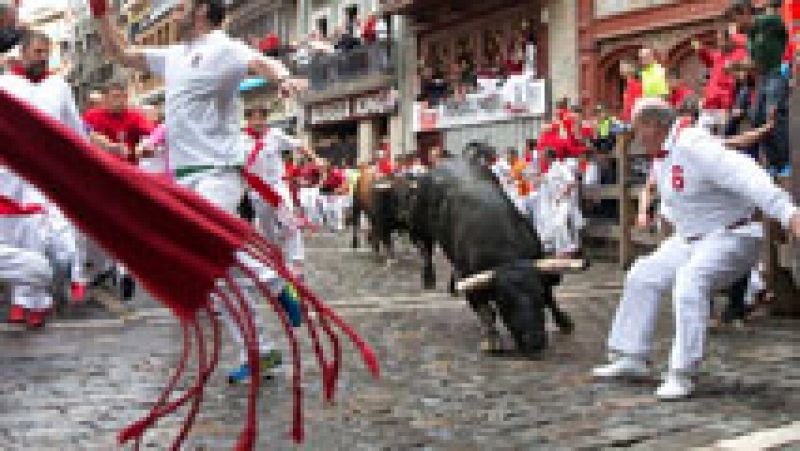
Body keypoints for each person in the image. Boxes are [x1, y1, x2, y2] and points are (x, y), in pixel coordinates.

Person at [91, 0, 308, 382]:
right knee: (213, 272)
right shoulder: (173, 55)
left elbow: (262, 63)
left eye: (182, 6)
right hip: (188, 176)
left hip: (218, 171)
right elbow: (120, 53)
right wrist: (100, 14)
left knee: (209, 242)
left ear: (203, 11)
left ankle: (277, 284)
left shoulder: (224, 48)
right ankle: (259, 351)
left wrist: (282, 79)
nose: (175, 10)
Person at [592, 98, 800, 399]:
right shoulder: (663, 153)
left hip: (733, 235)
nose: (637, 139)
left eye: (638, 131)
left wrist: (789, 214)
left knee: (690, 281)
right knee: (643, 274)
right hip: (691, 238)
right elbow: (680, 196)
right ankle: (631, 356)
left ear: (654, 126)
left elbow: (748, 174)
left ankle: (682, 372)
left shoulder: (694, 146)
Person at [0, 30, 87, 327]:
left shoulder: (59, 86)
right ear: (22, 52)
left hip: (44, 172)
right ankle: (20, 298)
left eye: (45, 53)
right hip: (9, 174)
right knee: (13, 237)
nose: (42, 58)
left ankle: (38, 301)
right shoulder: (5, 83)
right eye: (37, 52)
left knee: (37, 234)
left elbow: (74, 128)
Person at [729, 0, 789, 172]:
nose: (734, 25)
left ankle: (784, 164)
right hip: (763, 77)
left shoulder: (767, 22)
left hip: (778, 72)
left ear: (746, 14)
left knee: (774, 116)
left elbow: (782, 27)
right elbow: (754, 64)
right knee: (757, 119)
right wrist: (737, 66)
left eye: (735, 20)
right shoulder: (750, 37)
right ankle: (773, 162)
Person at [83, 82, 155, 164]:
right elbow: (82, 134)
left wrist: (144, 145)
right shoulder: (91, 116)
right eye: (116, 96)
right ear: (105, 98)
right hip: (100, 166)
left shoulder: (135, 116)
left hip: (127, 169)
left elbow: (151, 135)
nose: (121, 100)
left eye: (124, 96)